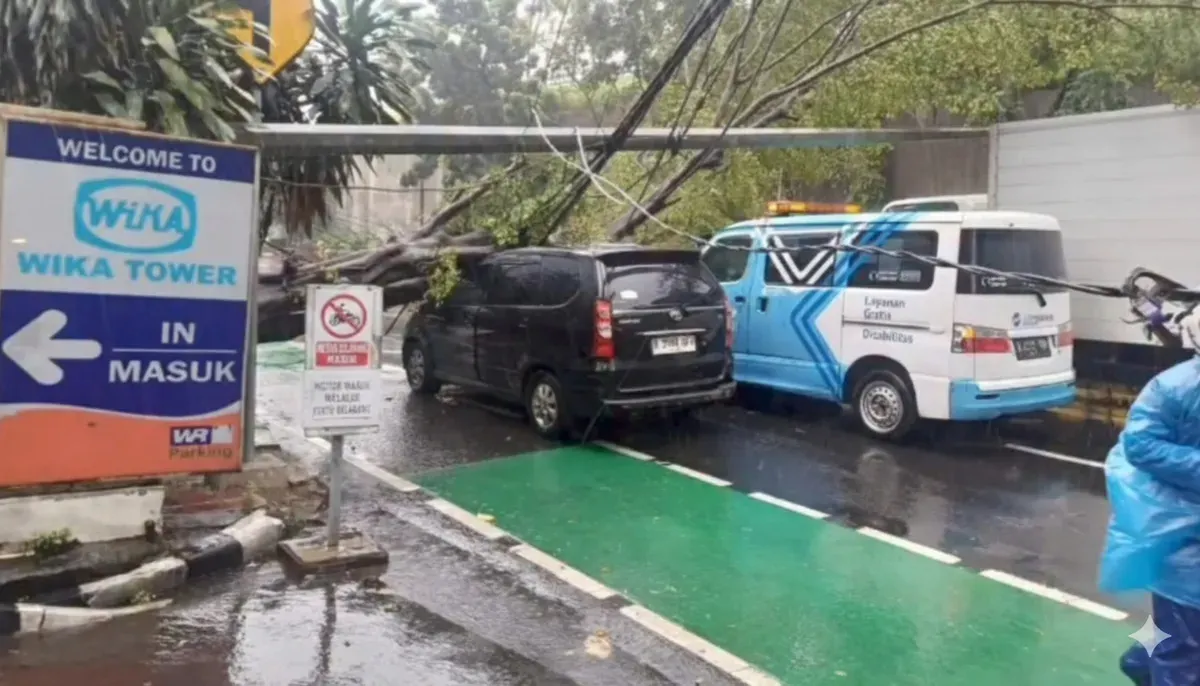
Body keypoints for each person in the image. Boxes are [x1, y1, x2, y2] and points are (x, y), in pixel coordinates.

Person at [1102, 313, 1200, 685]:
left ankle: (1141, 664)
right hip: (1186, 545)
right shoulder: (1176, 387)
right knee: (1184, 650)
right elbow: (1140, 444)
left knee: (1177, 636)